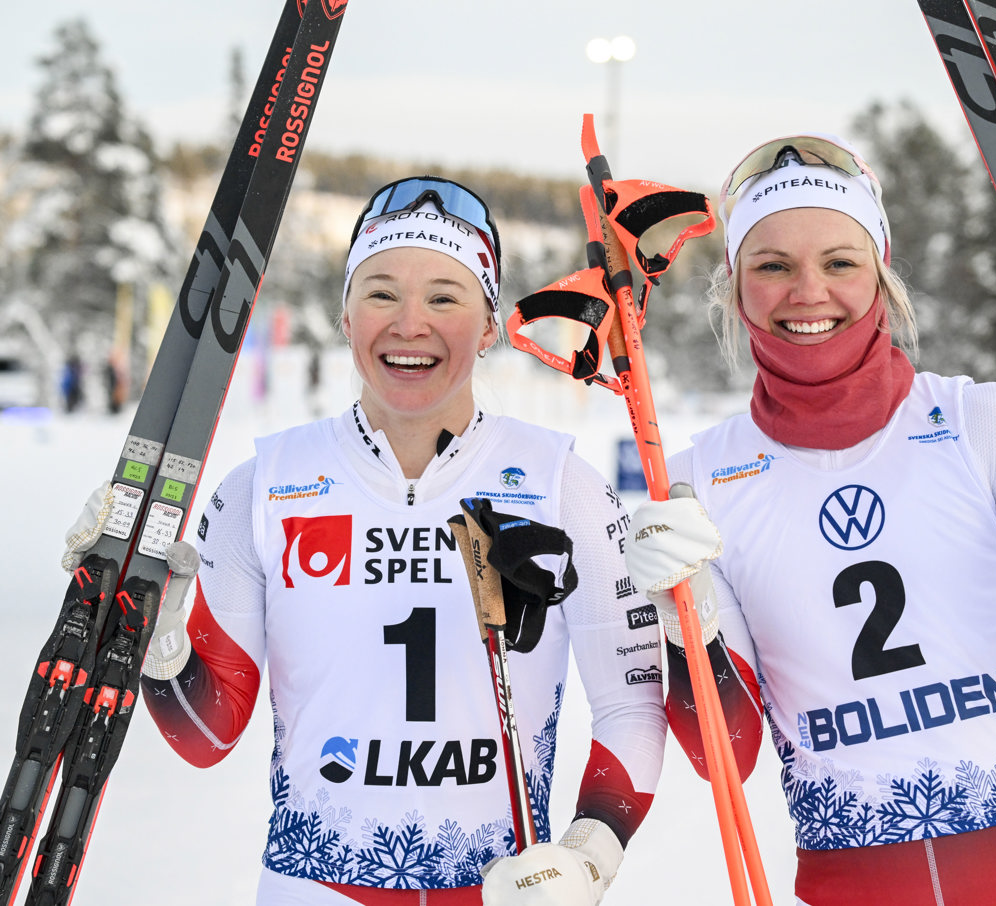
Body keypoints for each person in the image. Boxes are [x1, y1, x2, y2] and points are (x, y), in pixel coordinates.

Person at [67, 177, 666, 905]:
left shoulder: (560, 483)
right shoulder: (265, 484)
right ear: (345, 315)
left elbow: (632, 706)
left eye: (445, 297)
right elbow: (208, 735)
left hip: (504, 892)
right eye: (381, 293)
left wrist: (588, 855)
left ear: (488, 326)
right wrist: (159, 646)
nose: (410, 323)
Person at [623, 135, 996, 905]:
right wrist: (683, 629)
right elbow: (728, 756)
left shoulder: (982, 421)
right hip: (853, 882)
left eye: (840, 262)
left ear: (882, 273)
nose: (807, 292)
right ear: (734, 287)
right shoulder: (694, 482)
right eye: (772, 264)